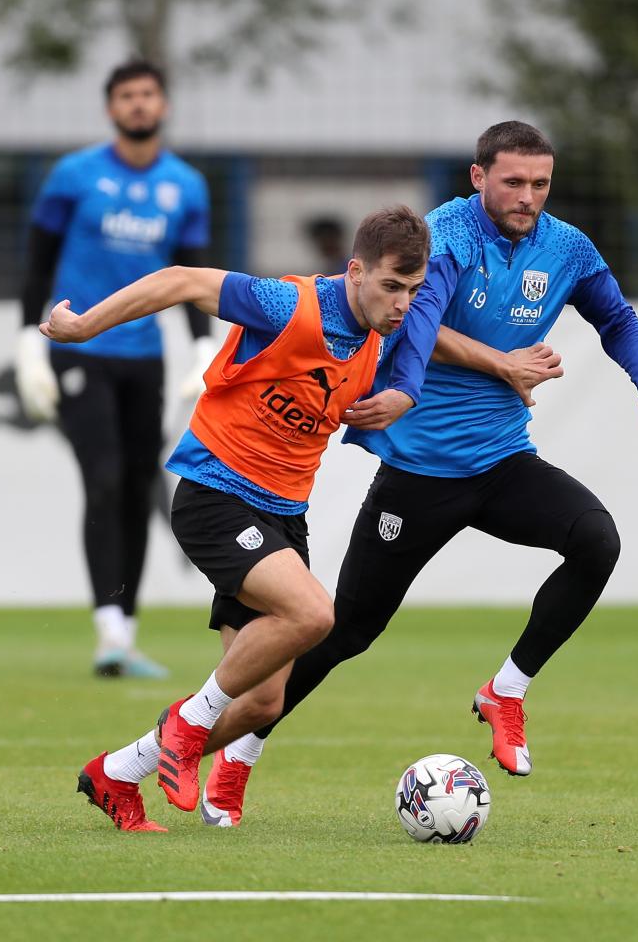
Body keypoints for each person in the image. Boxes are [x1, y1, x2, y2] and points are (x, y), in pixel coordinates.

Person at [194, 120, 638, 828]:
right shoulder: (444, 238)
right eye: (513, 181)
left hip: (501, 460)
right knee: (344, 631)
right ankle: (236, 757)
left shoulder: (567, 247)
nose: (527, 197)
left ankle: (506, 692)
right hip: (419, 475)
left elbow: (617, 319)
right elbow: (412, 325)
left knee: (595, 540)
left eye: (540, 184)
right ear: (477, 177)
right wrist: (494, 365)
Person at [40, 205, 434, 832]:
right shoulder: (289, 305)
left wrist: (428, 388)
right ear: (355, 271)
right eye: (391, 286)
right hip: (215, 495)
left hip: (283, 515)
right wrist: (84, 327)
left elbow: (435, 342)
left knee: (263, 702)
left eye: (413, 291)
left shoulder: (383, 334)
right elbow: (180, 280)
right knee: (313, 615)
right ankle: (188, 723)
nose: (403, 303)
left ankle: (116, 772)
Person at [15, 59, 218, 679]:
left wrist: (203, 343)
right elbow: (38, 262)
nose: (138, 105)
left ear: (163, 106)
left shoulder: (185, 186)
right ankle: (108, 630)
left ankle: (122, 635)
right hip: (77, 348)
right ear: (111, 108)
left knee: (136, 485)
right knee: (101, 477)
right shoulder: (73, 176)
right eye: (126, 96)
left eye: (148, 95)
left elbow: (189, 271)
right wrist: (28, 339)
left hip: (144, 357)